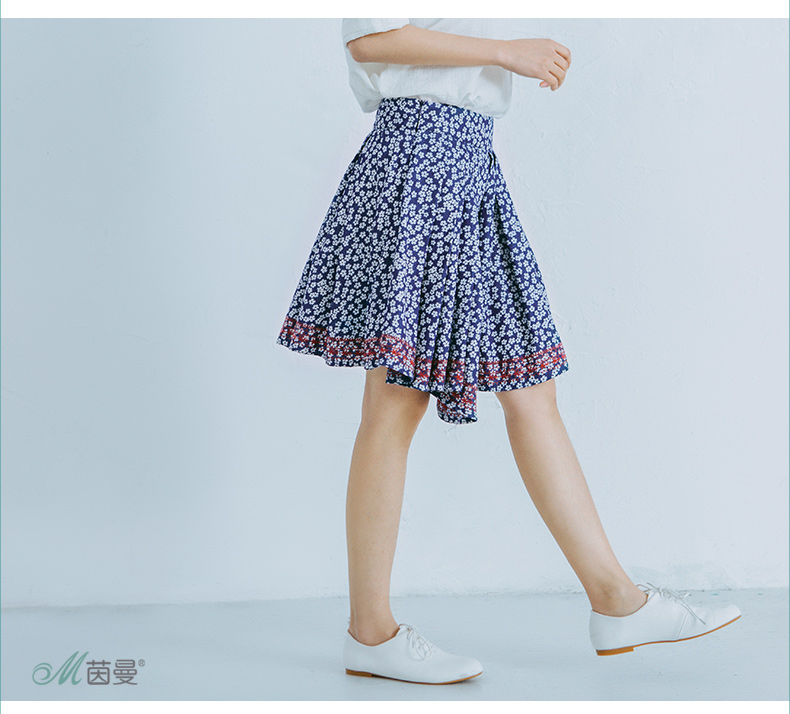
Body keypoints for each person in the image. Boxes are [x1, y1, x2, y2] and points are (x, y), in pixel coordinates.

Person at [275, 18, 741, 685]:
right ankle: (370, 632)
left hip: (468, 167)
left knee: (530, 388)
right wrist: (505, 53)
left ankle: (617, 600)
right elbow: (370, 41)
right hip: (420, 164)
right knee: (396, 401)